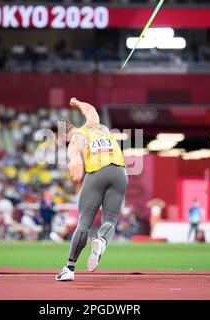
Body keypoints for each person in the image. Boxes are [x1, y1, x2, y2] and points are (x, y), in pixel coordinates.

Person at [55, 98, 127, 281]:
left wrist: (75, 174)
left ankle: (69, 268)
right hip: (120, 172)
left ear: (63, 134)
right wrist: (77, 102)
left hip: (97, 173)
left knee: (84, 223)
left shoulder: (75, 139)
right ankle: (102, 241)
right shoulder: (96, 124)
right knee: (110, 220)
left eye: (58, 139)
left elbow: (77, 168)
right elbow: (90, 109)